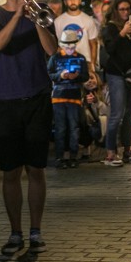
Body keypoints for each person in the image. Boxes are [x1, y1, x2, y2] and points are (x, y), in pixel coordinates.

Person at [0, 0, 57, 256]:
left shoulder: (40, 12)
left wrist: (34, 18)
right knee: (11, 170)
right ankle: (15, 232)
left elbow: (51, 49)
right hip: (6, 98)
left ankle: (36, 231)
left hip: (38, 95)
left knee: (36, 168)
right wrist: (16, 17)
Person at [101, 0, 131, 166]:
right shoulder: (110, 28)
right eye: (122, 9)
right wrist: (122, 33)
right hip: (116, 74)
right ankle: (110, 153)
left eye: (128, 9)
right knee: (117, 114)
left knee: (129, 115)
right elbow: (110, 49)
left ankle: (128, 150)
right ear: (115, 11)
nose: (125, 12)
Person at [48, 29, 89, 169]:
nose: (70, 50)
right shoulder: (55, 58)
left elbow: (86, 76)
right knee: (60, 128)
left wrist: (76, 76)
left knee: (74, 128)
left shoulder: (81, 58)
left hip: (74, 97)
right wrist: (61, 75)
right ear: (62, 45)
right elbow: (49, 74)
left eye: (72, 47)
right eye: (67, 47)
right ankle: (60, 157)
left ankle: (73, 156)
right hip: (59, 97)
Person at [54, 0, 99, 83]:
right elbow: (58, 45)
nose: (73, 1)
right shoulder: (58, 21)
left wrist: (92, 65)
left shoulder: (88, 20)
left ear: (80, 1)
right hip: (65, 63)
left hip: (85, 63)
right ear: (65, 2)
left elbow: (93, 44)